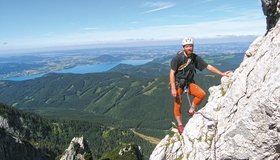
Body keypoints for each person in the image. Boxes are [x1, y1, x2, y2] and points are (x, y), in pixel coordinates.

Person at [170, 37, 230, 134]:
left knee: (201, 94)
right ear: (183, 47)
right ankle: (180, 125)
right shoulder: (177, 59)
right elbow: (172, 73)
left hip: (188, 83)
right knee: (178, 105)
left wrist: (221, 74)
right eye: (187, 46)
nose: (189, 48)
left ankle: (191, 109)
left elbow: (208, 66)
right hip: (178, 84)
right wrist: (173, 88)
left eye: (191, 46)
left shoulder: (195, 58)